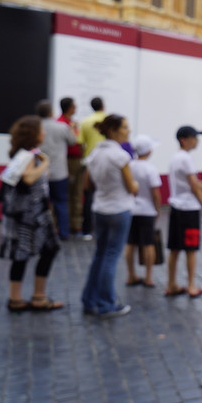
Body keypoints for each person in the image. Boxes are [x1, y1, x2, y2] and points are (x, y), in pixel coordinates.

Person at [0, 115, 63, 312]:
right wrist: (45, 163)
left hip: (27, 215)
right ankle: (36, 296)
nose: (43, 133)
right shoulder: (30, 157)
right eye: (41, 130)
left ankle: (18, 298)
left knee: (24, 254)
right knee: (42, 251)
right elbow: (28, 178)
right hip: (31, 217)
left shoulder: (22, 155)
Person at [80, 114, 138, 319]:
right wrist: (136, 186)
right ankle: (106, 303)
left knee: (100, 255)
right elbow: (132, 187)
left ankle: (89, 299)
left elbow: (87, 185)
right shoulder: (120, 156)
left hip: (100, 208)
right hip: (119, 209)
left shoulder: (95, 153)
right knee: (111, 256)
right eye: (124, 127)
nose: (128, 131)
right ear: (113, 130)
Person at [165, 125, 202, 297]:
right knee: (191, 249)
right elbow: (195, 185)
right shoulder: (186, 159)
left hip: (176, 207)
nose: (197, 140)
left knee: (175, 248)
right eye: (194, 137)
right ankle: (191, 285)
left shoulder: (175, 158)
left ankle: (171, 284)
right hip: (189, 209)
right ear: (184, 140)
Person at [124, 135, 162, 289]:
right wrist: (157, 209)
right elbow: (155, 193)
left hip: (130, 208)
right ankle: (148, 276)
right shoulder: (150, 169)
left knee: (130, 243)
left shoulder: (129, 166)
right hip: (146, 210)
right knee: (148, 243)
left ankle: (131, 274)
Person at [36, 99, 76, 240]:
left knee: (41, 204)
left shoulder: (35, 127)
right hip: (59, 171)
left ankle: (42, 232)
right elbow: (73, 141)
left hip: (40, 171)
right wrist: (71, 127)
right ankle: (64, 233)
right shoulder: (61, 127)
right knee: (61, 203)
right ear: (51, 112)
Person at [78, 97, 107, 240]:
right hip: (107, 162)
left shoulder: (84, 122)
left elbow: (80, 143)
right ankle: (104, 229)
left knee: (88, 197)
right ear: (103, 106)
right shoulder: (108, 120)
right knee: (106, 194)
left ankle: (87, 230)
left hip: (89, 162)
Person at [58, 97, 85, 237]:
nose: (76, 108)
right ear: (69, 108)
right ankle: (66, 224)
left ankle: (75, 224)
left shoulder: (71, 123)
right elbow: (73, 141)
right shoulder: (62, 124)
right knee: (69, 192)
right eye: (74, 106)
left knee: (76, 193)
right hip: (68, 161)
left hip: (76, 160)